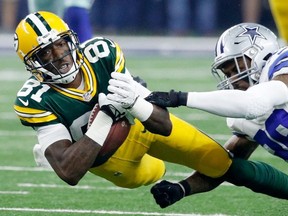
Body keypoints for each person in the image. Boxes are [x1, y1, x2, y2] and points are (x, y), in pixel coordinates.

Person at [13, 12, 288, 202]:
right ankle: (57, 148)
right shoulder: (33, 99)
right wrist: (106, 116)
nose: (59, 55)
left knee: (218, 161)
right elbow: (71, 174)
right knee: (153, 173)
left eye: (60, 44)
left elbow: (165, 124)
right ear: (30, 62)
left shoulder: (102, 53)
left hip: (138, 126)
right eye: (45, 52)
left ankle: (61, 147)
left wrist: (142, 100)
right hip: (104, 155)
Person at [144, 22, 288, 208]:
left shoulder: (281, 64)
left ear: (260, 55)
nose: (233, 80)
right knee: (229, 164)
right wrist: (183, 188)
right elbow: (221, 166)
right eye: (227, 74)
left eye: (237, 69)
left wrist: (180, 98)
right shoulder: (243, 117)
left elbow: (255, 103)